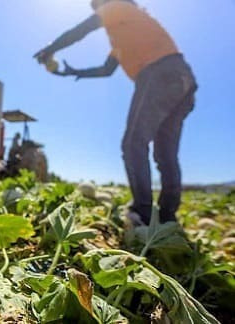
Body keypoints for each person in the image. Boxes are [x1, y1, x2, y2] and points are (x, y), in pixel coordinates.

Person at [34, 0, 197, 226]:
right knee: (165, 154)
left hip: (160, 73)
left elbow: (81, 30)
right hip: (182, 81)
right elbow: (106, 70)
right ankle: (168, 216)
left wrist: (49, 49)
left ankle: (142, 213)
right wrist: (74, 72)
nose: (97, 10)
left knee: (133, 143)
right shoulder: (123, 34)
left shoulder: (118, 6)